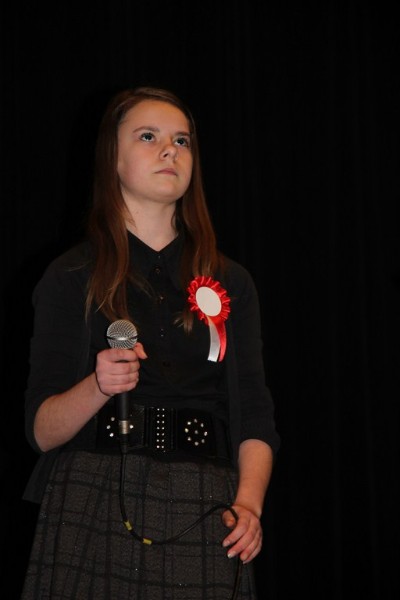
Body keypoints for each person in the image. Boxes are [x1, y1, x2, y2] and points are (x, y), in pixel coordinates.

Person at [21, 85, 280, 600]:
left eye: (182, 140)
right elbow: (41, 431)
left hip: (206, 500)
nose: (170, 151)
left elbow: (253, 411)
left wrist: (249, 506)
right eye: (148, 136)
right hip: (94, 495)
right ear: (112, 159)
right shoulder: (71, 275)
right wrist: (98, 385)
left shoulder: (231, 281)